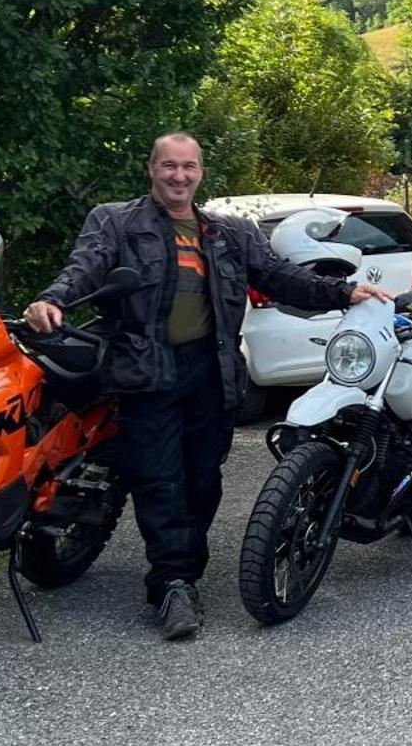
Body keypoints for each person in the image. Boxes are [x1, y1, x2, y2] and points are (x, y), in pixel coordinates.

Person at [23, 131, 390, 641]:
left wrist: (345, 291)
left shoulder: (229, 233)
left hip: (210, 373)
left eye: (188, 167)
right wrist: (53, 299)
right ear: (152, 169)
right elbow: (83, 267)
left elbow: (281, 278)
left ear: (200, 172)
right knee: (158, 481)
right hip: (145, 372)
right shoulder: (115, 221)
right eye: (169, 166)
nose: (179, 175)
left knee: (203, 481)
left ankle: (183, 568)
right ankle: (173, 581)